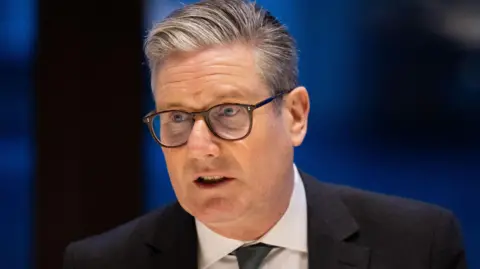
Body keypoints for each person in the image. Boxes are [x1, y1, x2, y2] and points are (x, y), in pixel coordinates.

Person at [62, 0, 467, 268]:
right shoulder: (102, 262)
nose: (199, 148)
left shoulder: (418, 246)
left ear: (295, 115)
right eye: (177, 118)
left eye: (228, 112)